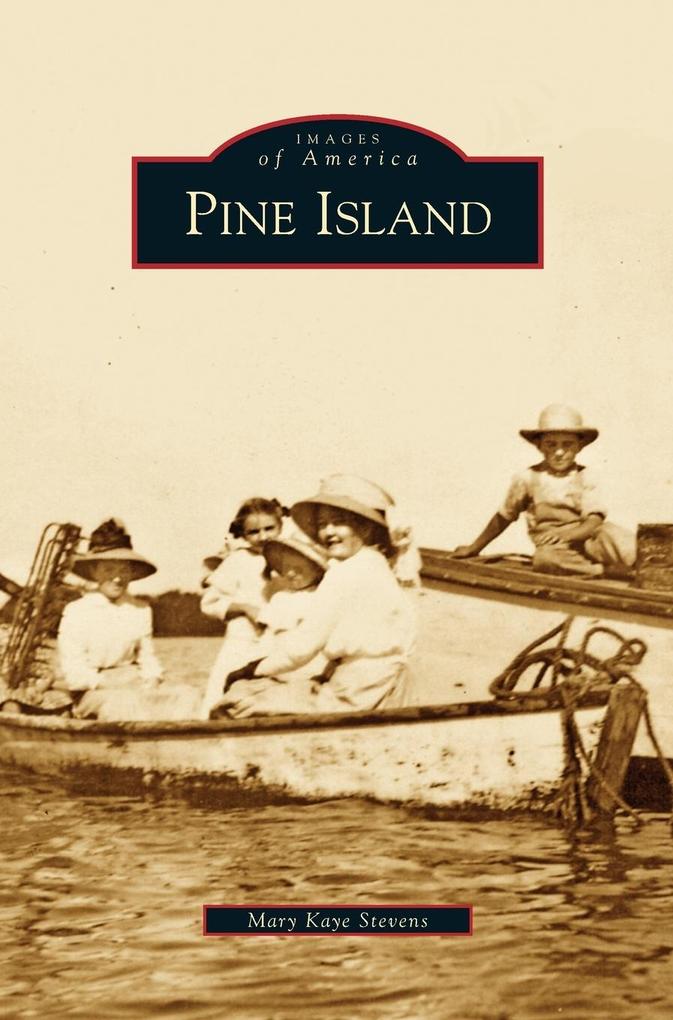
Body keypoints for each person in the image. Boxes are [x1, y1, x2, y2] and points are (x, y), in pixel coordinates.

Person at [218, 475, 417, 718]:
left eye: (339, 522)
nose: (328, 531)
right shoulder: (376, 564)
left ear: (365, 527)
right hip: (385, 682)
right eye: (322, 524)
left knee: (241, 700)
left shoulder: (345, 572)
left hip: (356, 690)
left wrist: (252, 669)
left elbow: (304, 645)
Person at [452, 404, 636, 577]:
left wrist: (567, 534)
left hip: (588, 540)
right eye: (551, 444)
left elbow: (594, 520)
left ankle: (644, 567)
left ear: (579, 446)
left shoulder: (586, 476)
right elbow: (504, 516)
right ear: (539, 445)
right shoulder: (527, 478)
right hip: (556, 548)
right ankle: (603, 571)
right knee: (545, 560)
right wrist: (474, 547)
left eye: (567, 444)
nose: (559, 452)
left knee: (614, 534)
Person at [56, 519, 165, 717]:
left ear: (132, 572)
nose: (117, 578)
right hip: (92, 691)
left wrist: (152, 679)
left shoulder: (140, 609)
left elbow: (147, 657)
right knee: (124, 702)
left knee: (186, 697)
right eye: (109, 570)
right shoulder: (77, 611)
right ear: (94, 571)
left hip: (134, 684)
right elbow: (74, 672)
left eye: (123, 570)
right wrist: (113, 683)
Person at [199, 497, 288, 715]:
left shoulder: (290, 557)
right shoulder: (238, 560)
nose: (263, 537)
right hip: (243, 641)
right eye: (254, 532)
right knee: (222, 692)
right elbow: (209, 603)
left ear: (280, 525)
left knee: (271, 696)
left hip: (280, 640)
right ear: (244, 534)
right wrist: (245, 608)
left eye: (269, 528)